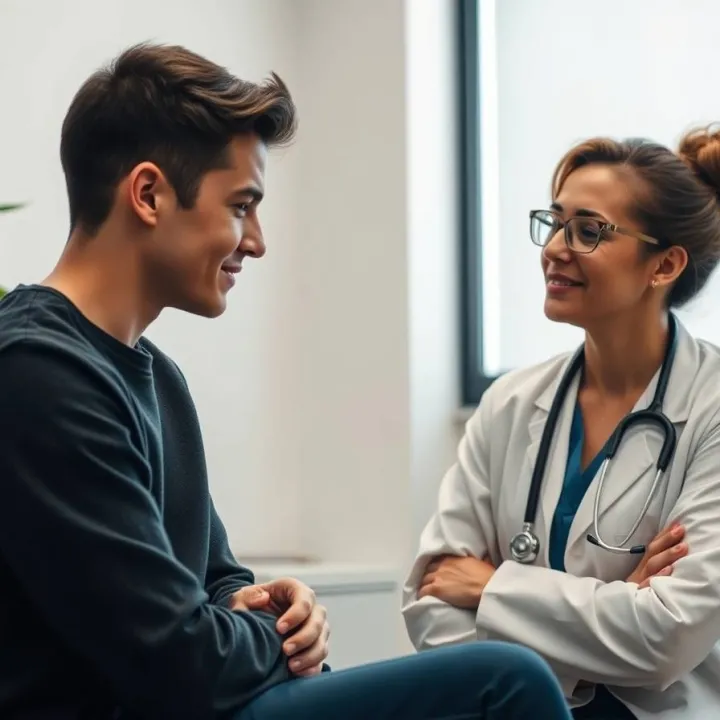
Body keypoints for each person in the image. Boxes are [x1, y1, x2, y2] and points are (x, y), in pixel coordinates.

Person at [0, 42, 573, 720]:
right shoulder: (38, 374)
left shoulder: (158, 381)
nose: (257, 240)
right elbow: (180, 660)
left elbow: (217, 585)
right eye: (242, 206)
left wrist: (278, 605)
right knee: (502, 682)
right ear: (149, 194)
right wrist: (271, 636)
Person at [402, 126, 720, 719]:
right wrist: (614, 606)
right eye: (554, 223)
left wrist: (492, 588)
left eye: (589, 230)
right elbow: (430, 600)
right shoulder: (511, 403)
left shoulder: (713, 408)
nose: (554, 248)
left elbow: (668, 636)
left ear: (665, 264)